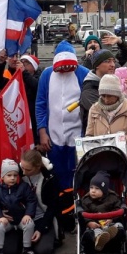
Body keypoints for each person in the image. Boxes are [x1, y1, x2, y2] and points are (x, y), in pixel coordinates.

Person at [36, 41, 89, 189]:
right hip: (53, 134)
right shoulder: (47, 75)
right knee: (56, 173)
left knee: (77, 172)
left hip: (78, 133)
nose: (65, 68)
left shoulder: (83, 73)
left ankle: (75, 203)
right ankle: (59, 206)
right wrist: (42, 131)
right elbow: (40, 103)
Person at [85, 76, 127, 198]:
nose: (106, 99)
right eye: (103, 95)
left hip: (124, 161)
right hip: (101, 161)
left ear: (117, 94)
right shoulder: (94, 109)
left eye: (110, 96)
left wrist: (121, 140)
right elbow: (89, 136)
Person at [0, 158, 39, 254]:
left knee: (29, 224)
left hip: (21, 218)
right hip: (7, 221)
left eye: (15, 175)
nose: (12, 178)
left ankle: (27, 249)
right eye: (9, 175)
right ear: (2, 176)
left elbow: (31, 200)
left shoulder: (23, 187)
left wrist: (28, 214)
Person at [18, 149, 62, 254]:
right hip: (22, 218)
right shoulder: (17, 173)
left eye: (28, 170)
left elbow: (53, 207)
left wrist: (40, 229)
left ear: (38, 167)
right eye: (22, 167)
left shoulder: (50, 178)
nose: (23, 172)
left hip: (43, 217)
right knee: (9, 250)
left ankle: (45, 236)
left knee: (44, 251)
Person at [0, 49, 38, 135]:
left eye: (26, 63)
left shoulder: (38, 77)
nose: (15, 60)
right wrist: (1, 62)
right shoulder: (11, 77)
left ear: (34, 67)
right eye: (12, 56)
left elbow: (36, 86)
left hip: (32, 122)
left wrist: (24, 72)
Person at [80, 170, 125, 252]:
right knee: (95, 231)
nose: (93, 191)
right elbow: (83, 212)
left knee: (119, 225)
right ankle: (99, 239)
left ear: (104, 190)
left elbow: (117, 209)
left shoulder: (113, 198)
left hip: (109, 223)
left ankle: (110, 233)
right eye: (91, 188)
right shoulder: (86, 200)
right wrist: (89, 222)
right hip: (95, 225)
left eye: (97, 188)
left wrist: (112, 219)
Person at [79, 47, 118, 134]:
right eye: (107, 61)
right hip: (98, 136)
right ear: (97, 65)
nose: (112, 65)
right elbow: (105, 114)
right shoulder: (89, 89)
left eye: (113, 61)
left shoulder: (113, 81)